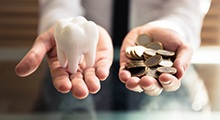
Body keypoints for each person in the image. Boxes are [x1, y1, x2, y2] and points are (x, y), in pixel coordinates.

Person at [15, 0, 211, 112]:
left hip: (170, 88)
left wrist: (174, 29)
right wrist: (64, 25)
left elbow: (187, 6)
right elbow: (59, 3)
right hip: (82, 64)